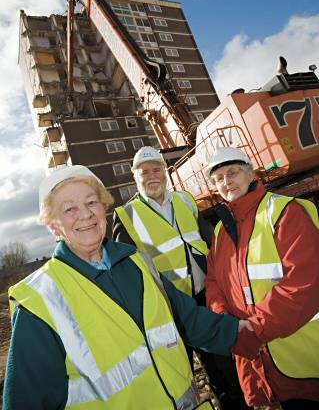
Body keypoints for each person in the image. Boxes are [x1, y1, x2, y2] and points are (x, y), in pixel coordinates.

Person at [3, 164, 253, 410]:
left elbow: (188, 317)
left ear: (104, 207)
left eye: (92, 202)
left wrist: (243, 331)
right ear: (52, 225)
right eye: (69, 209)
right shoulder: (40, 300)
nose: (86, 214)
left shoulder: (138, 262)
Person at [112, 146, 248, 409]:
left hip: (204, 299)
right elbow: (129, 274)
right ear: (135, 177)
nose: (152, 176)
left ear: (165, 172)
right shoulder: (126, 216)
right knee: (181, 377)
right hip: (169, 309)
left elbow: (209, 240)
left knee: (224, 369)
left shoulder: (185, 200)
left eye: (157, 170)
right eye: (145, 172)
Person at [204, 146, 319, 410]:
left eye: (232, 172)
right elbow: (214, 282)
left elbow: (305, 283)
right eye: (219, 178)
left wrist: (252, 330)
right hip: (261, 362)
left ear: (250, 173)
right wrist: (224, 318)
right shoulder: (222, 230)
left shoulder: (283, 212)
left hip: (303, 359)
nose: (226, 181)